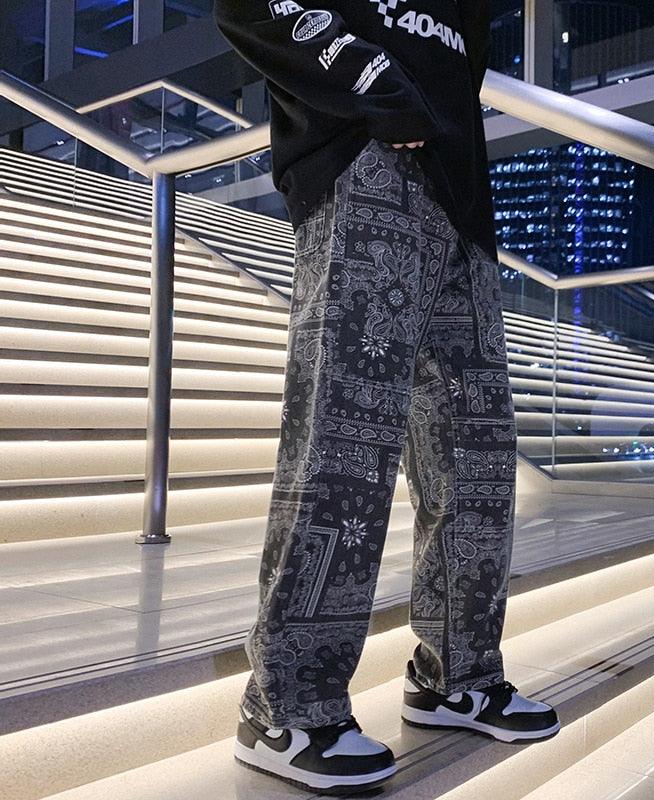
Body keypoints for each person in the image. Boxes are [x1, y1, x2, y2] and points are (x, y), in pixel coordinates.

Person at [213, 1, 561, 794]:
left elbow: (458, 74)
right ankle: (286, 704)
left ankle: (455, 675)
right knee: (344, 447)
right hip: (362, 171)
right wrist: (376, 87)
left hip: (460, 203)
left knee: (476, 458)